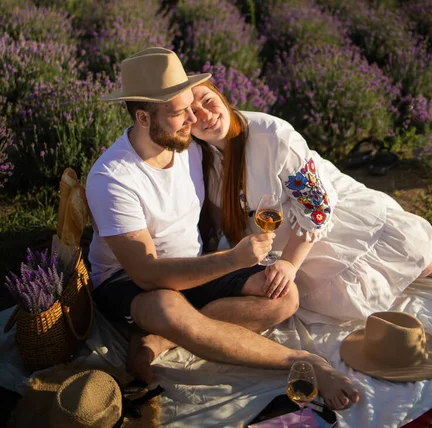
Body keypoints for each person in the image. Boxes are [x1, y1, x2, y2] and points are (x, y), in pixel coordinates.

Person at [86, 47, 359, 411]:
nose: (192, 118)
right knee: (166, 306)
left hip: (193, 264)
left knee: (284, 296)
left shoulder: (189, 148)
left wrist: (247, 257)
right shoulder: (112, 178)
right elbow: (147, 274)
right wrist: (232, 260)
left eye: (191, 106)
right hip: (128, 281)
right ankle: (299, 362)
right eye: (179, 112)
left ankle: (158, 339)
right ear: (142, 116)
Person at [190, 81, 432, 322]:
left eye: (207, 100)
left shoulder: (273, 137)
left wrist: (290, 264)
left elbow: (316, 208)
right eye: (192, 112)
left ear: (222, 96)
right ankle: (419, 264)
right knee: (332, 301)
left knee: (409, 254)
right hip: (280, 236)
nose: (204, 115)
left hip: (326, 215)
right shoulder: (200, 154)